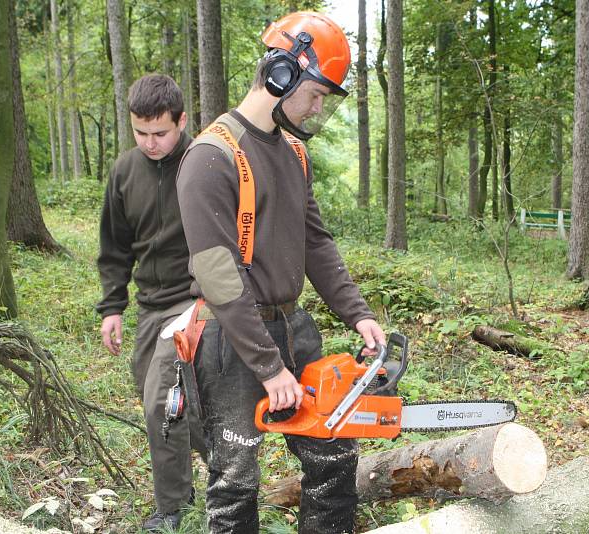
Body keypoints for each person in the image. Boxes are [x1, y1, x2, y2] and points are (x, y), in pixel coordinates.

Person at [175, 12, 385, 534]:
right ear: (282, 75)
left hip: (293, 328)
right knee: (235, 482)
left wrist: (357, 314)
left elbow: (315, 241)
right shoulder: (211, 157)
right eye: (316, 94)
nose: (318, 107)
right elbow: (220, 277)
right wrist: (269, 368)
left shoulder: (293, 152)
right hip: (230, 337)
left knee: (334, 456)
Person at [96, 74, 206, 531]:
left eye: (160, 132)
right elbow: (115, 245)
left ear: (181, 121)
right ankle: (226, 465)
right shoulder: (125, 170)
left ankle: (173, 508)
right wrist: (112, 307)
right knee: (177, 403)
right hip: (149, 305)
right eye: (141, 133)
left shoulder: (204, 161)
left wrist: (209, 303)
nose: (150, 143)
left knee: (162, 401)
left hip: (198, 300)